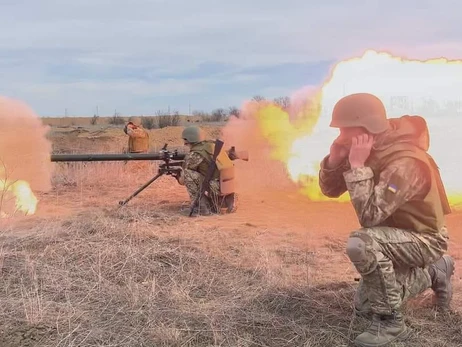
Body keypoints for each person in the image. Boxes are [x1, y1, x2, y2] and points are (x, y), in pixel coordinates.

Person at [318, 93, 455, 347]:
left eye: (345, 129)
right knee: (364, 306)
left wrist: (357, 165)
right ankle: (436, 271)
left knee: (362, 242)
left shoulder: (404, 162)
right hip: (395, 235)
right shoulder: (372, 146)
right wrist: (335, 159)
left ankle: (391, 323)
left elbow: (369, 217)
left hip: (425, 239)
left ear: (366, 127)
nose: (341, 136)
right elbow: (330, 190)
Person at [176, 126, 237, 216]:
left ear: (188, 139)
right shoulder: (213, 145)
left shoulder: (195, 154)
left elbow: (183, 179)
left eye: (185, 140)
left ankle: (199, 207)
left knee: (187, 174)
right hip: (226, 187)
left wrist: (177, 174)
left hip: (215, 187)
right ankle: (211, 203)